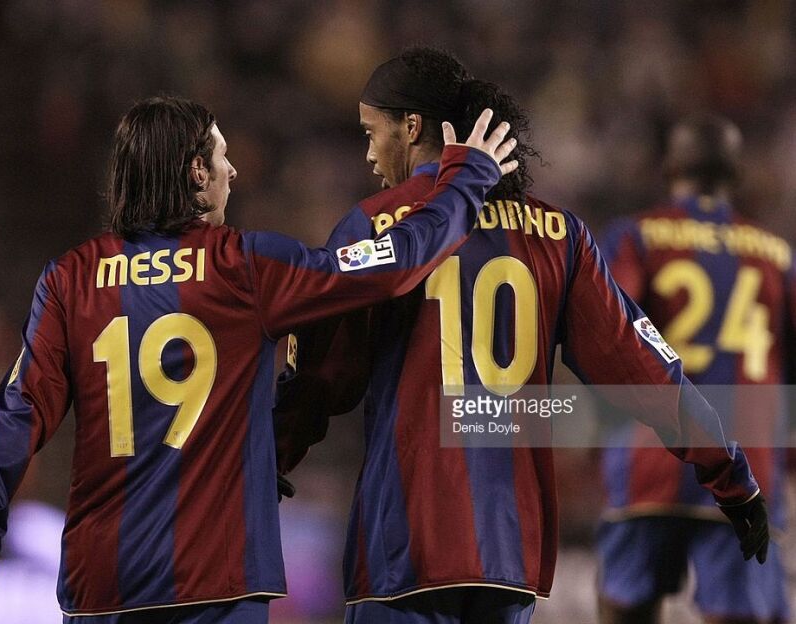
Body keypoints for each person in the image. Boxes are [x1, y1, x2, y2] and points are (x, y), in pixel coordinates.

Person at [0, 94, 520, 623]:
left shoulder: (69, 279)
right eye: (222, 155)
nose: (233, 170)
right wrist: (466, 180)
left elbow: (21, 405)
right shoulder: (245, 267)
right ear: (197, 173)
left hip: (102, 582)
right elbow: (389, 264)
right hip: (217, 582)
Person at [273, 48, 769, 624]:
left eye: (371, 132)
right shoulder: (559, 236)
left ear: (411, 128)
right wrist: (729, 472)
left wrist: (273, 456)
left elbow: (321, 374)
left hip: (404, 547)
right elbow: (646, 369)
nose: (368, 153)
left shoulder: (375, 225)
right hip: (509, 554)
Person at [596, 114, 791, 624]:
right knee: (740, 613)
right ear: (737, 174)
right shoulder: (776, 254)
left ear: (669, 167)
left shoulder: (635, 236)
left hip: (650, 452)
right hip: (748, 460)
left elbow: (607, 328)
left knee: (625, 605)